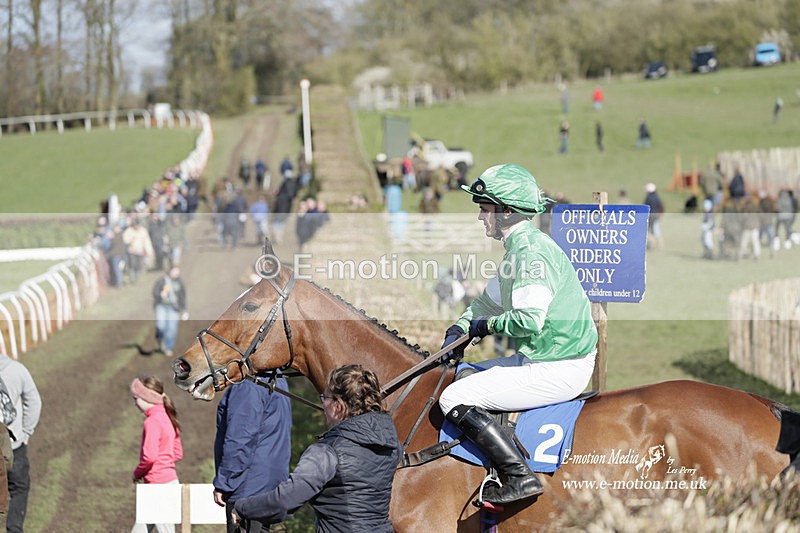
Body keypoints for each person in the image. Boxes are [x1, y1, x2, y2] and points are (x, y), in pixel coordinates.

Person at [437, 164, 598, 506]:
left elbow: (528, 321)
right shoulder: (520, 247)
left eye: (485, 208)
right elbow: (487, 302)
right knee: (462, 373)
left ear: (506, 212)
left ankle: (518, 476)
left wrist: (484, 327)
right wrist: (461, 328)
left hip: (561, 366)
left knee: (451, 399)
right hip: (545, 356)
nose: (481, 217)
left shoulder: (531, 254)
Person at [231, 365, 401, 532]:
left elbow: (284, 500)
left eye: (325, 398)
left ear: (338, 406)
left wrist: (242, 507)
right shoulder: (390, 444)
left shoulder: (326, 452)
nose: (323, 404)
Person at [213, 376, 292, 533]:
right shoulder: (278, 379)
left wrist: (225, 483)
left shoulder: (248, 385)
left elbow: (240, 439)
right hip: (270, 483)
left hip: (247, 486)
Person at [131, 376, 183, 533]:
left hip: (158, 487)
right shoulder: (168, 417)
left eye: (136, 398)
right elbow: (177, 453)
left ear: (146, 398)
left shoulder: (152, 422)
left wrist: (137, 473)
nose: (135, 403)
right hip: (167, 483)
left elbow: (150, 457)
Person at [0, 354, 40, 533]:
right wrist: (26, 432)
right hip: (14, 446)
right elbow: (34, 402)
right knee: (19, 489)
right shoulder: (18, 369)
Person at [151, 266, 187, 357]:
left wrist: (184, 310)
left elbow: (183, 297)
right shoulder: (162, 281)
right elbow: (155, 291)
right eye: (174, 271)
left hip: (174, 308)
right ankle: (160, 339)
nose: (176, 273)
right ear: (170, 271)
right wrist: (160, 295)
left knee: (172, 328)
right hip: (161, 307)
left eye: (177, 271)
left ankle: (168, 347)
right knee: (160, 325)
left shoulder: (179, 283)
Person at [643, 182, 664, 249]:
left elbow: (645, 207)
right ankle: (659, 244)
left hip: (650, 215)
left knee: (650, 231)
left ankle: (651, 245)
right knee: (656, 229)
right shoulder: (657, 197)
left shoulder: (648, 198)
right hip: (657, 215)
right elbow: (661, 207)